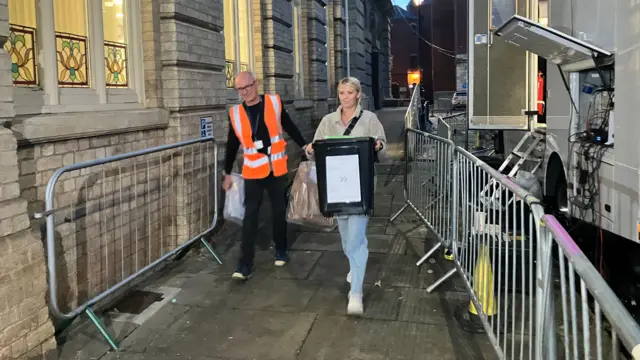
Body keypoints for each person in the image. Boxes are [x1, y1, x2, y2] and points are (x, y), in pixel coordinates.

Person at [306, 77, 388, 316]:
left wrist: (379, 147)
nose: (345, 96)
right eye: (341, 92)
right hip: (336, 188)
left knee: (357, 238)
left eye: (349, 92)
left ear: (358, 94)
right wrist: (309, 149)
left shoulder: (370, 119)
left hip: (361, 187)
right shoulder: (328, 121)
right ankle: (355, 260)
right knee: (346, 238)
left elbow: (382, 147)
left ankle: (356, 293)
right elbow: (315, 148)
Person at [223, 71, 311, 281]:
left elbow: (289, 126)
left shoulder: (273, 103)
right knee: (250, 216)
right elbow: (232, 144)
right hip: (253, 171)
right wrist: (226, 172)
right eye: (240, 89)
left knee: (279, 211)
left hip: (276, 169)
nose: (245, 92)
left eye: (248, 86)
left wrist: (304, 145)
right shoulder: (235, 113)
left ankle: (281, 248)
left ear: (257, 84)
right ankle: (244, 264)